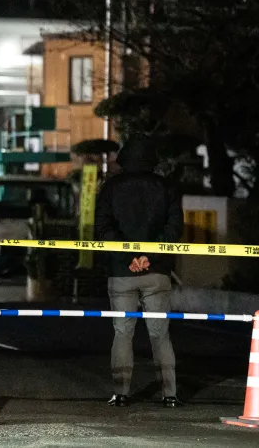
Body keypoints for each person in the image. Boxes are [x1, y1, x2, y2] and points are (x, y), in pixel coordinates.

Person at [95, 136, 184, 408]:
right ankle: (170, 394)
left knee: (123, 332)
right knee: (160, 333)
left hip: (122, 272)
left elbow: (102, 230)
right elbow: (173, 230)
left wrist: (128, 258)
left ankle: (120, 393)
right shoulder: (166, 188)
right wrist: (149, 257)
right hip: (157, 271)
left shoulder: (110, 188)